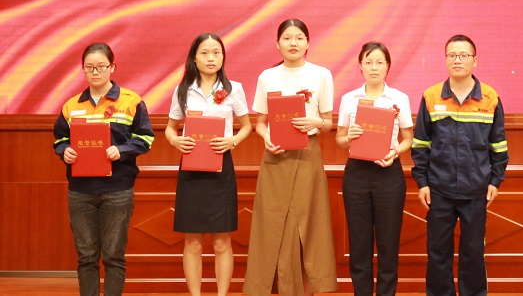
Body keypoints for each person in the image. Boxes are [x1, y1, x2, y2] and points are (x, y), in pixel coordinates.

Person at [244, 18, 337, 296]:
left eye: (299, 38)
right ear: (277, 44)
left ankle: (308, 289)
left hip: (308, 154)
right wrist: (266, 138)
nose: (293, 43)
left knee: (309, 223)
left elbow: (328, 122)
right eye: (287, 38)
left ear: (308, 43)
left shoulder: (321, 75)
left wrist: (315, 123)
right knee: (274, 223)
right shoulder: (267, 77)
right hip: (276, 157)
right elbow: (261, 123)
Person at [52, 42, 155, 296]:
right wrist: (64, 151)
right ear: (83, 70)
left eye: (100, 66)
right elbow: (60, 139)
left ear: (112, 67)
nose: (95, 72)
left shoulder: (131, 101)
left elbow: (145, 139)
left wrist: (122, 150)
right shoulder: (71, 105)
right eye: (89, 67)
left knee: (113, 256)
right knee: (86, 256)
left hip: (117, 190)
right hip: (80, 191)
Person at [411, 34, 509, 296]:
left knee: (473, 252)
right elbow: (421, 144)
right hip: (439, 189)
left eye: (463, 55)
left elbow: (498, 145)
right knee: (437, 252)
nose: (457, 60)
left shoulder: (490, 97)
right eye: (452, 55)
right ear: (445, 60)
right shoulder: (431, 96)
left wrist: (495, 181)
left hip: (476, 190)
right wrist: (422, 183)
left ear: (474, 61)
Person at [165, 33, 252, 296]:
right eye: (204, 53)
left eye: (216, 52)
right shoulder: (182, 90)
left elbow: (246, 126)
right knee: (192, 242)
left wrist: (232, 140)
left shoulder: (234, 89)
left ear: (223, 56)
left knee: (222, 241)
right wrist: (175, 141)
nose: (211, 58)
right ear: (194, 58)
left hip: (221, 168)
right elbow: (170, 128)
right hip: (191, 170)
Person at [335, 41, 414, 296]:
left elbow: (408, 139)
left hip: (388, 173)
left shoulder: (399, 98)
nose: (374, 67)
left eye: (379, 62)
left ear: (388, 66)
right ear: (360, 66)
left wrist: (395, 153)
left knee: (388, 244)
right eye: (368, 62)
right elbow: (339, 139)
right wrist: (349, 137)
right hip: (357, 174)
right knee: (360, 244)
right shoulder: (349, 99)